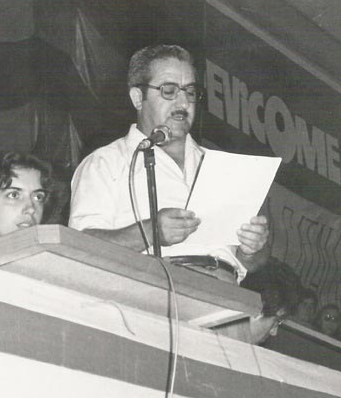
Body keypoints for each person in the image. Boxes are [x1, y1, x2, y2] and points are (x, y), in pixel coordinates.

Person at [68, 44, 269, 282]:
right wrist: (150, 232)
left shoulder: (222, 168)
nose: (183, 103)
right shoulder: (106, 162)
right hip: (157, 291)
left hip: (227, 294)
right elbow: (80, 245)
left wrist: (252, 248)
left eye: (190, 92)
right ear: (137, 98)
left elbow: (255, 263)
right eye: (169, 90)